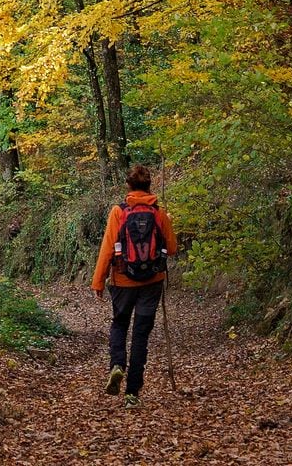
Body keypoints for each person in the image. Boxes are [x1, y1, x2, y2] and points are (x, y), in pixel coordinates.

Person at [91, 164, 178, 407]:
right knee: (141, 334)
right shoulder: (159, 214)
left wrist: (98, 281)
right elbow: (171, 249)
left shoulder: (119, 211)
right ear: (149, 186)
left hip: (122, 280)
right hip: (152, 282)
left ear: (128, 186)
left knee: (119, 324)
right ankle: (132, 393)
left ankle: (117, 364)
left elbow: (107, 248)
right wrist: (167, 224)